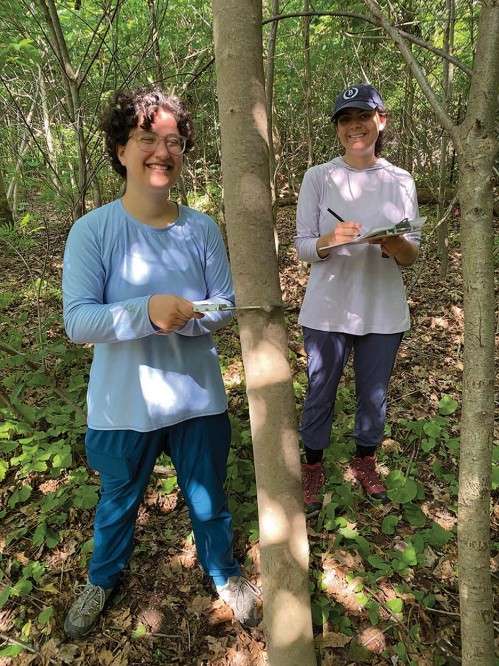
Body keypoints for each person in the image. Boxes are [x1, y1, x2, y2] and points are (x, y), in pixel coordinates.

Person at [62, 88, 259, 638]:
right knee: (117, 501)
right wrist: (146, 311)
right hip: (123, 402)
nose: (161, 151)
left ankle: (224, 572)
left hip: (196, 396)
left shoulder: (201, 229)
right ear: (122, 148)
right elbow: (78, 320)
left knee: (209, 495)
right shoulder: (94, 231)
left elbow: (224, 303)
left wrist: (189, 315)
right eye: (147, 138)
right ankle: (101, 579)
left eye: (172, 141)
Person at [295, 84, 420, 512]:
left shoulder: (400, 180)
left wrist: (391, 241)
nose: (355, 127)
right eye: (345, 120)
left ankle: (365, 459)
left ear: (380, 120)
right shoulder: (319, 177)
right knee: (319, 390)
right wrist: (330, 239)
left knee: (374, 394)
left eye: (362, 117)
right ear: (338, 129)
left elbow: (410, 254)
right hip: (326, 309)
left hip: (383, 309)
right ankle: (313, 465)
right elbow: (303, 246)